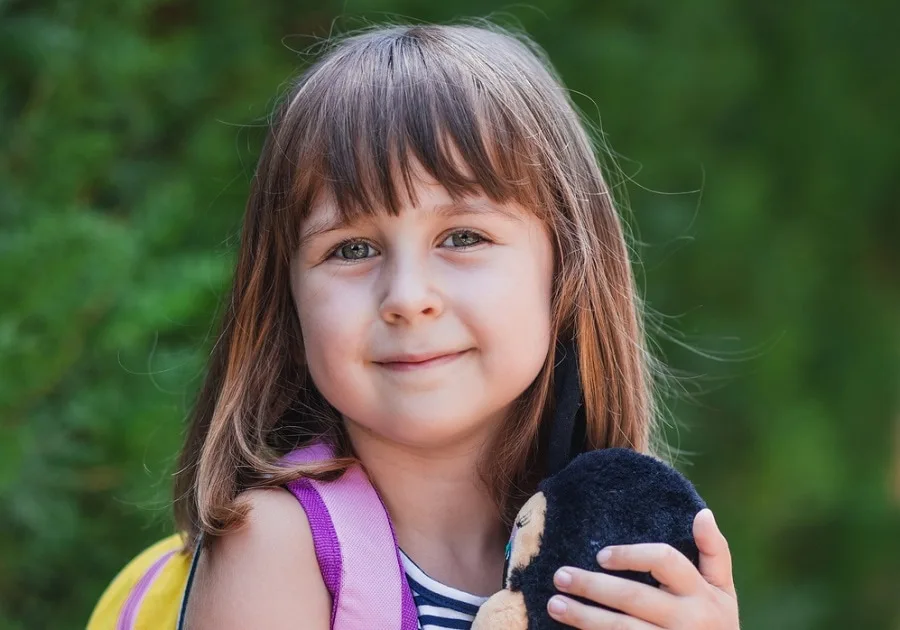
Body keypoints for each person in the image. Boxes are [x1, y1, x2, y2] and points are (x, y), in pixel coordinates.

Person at [174, 22, 740, 630]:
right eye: (353, 249)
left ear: (568, 271)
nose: (408, 298)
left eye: (463, 237)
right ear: (287, 300)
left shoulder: (619, 559)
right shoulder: (279, 548)